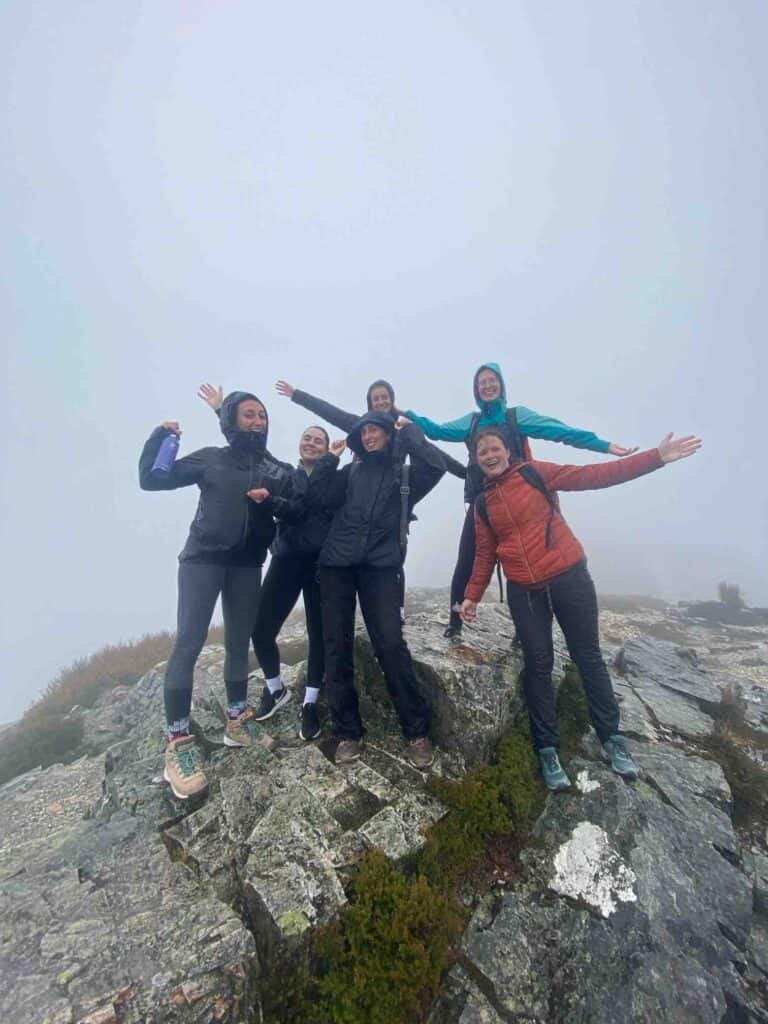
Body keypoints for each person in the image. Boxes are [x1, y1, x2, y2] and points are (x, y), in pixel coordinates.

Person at [459, 426, 702, 790]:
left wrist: (656, 458)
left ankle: (612, 739)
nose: (490, 455)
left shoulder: (534, 472)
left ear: (507, 451)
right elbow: (484, 554)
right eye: (483, 452)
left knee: (587, 657)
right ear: (477, 460)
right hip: (525, 590)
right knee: (538, 665)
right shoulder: (482, 504)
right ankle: (547, 749)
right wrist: (471, 596)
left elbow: (594, 476)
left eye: (495, 448)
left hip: (568, 577)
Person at [403, 362, 637, 640]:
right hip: (483, 501)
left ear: (501, 385)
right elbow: (438, 430)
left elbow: (560, 431)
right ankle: (455, 622)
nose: (487, 386)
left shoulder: (517, 417)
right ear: (476, 391)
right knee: (467, 558)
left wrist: (604, 445)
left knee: (522, 562)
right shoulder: (472, 422)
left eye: (492, 380)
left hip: (524, 499)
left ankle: (524, 629)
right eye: (482, 383)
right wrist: (408, 417)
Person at [139, 392, 294, 800]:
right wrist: (159, 438)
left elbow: (297, 489)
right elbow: (153, 479)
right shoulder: (211, 457)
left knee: (239, 643)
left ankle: (237, 721)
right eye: (249, 414)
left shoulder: (270, 466)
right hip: (202, 561)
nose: (258, 420)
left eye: (263, 415)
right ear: (232, 421)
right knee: (189, 643)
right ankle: (178, 745)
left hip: (247, 565)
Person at [198, 385, 334, 741]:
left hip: (322, 566)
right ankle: (276, 688)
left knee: (318, 636)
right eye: (307, 438)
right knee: (259, 628)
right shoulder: (284, 471)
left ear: (328, 447)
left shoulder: (335, 478)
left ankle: (310, 703)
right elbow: (249, 443)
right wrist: (221, 410)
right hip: (287, 560)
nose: (311, 442)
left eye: (319, 439)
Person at [275, 377, 466, 622]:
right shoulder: (361, 426)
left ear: (392, 400)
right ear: (369, 403)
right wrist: (297, 395)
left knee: (393, 552)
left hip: (392, 497)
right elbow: (330, 412)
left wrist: (468, 475)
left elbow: (438, 459)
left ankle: (395, 611)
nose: (380, 401)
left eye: (384, 396)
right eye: (375, 398)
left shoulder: (400, 429)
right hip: (357, 496)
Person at [314, 412, 446, 768]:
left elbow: (436, 464)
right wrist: (330, 459)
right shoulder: (350, 473)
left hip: (381, 568)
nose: (370, 435)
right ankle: (348, 732)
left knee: (389, 644)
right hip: (336, 566)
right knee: (335, 648)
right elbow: (320, 499)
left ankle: (416, 731)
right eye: (365, 430)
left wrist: (412, 433)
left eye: (376, 430)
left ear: (390, 435)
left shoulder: (406, 475)